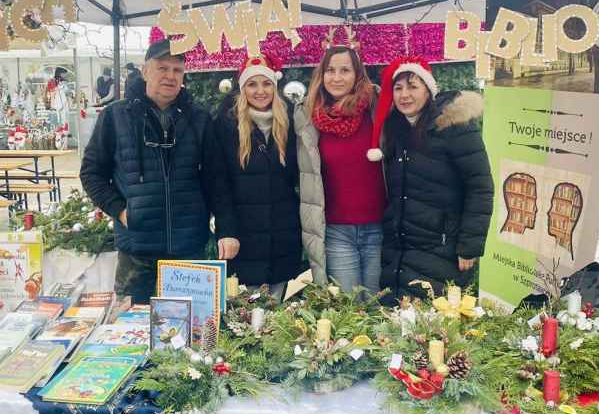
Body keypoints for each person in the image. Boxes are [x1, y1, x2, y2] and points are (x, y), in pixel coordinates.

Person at [80, 39, 213, 301]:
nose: (170, 76)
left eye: (177, 70)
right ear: (145, 71)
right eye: (162, 68)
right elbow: (91, 172)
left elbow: (215, 177)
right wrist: (119, 210)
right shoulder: (116, 116)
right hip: (137, 252)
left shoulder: (199, 118)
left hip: (188, 249)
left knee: (191, 331)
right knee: (129, 329)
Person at [370, 56, 493, 300]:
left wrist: (469, 246)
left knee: (432, 327)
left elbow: (480, 187)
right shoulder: (397, 128)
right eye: (398, 88)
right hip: (401, 250)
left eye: (413, 87)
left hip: (441, 249)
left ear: (429, 90)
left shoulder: (455, 127)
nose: (405, 95)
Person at [207, 54, 302, 301]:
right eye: (252, 84)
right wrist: (226, 229)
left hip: (284, 234)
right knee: (248, 314)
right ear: (242, 88)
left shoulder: (292, 121)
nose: (260, 91)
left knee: (280, 317)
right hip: (244, 234)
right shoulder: (226, 124)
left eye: (266, 84)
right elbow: (218, 181)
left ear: (275, 86)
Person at [295, 44, 385, 292]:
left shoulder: (377, 107)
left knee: (379, 308)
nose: (336, 77)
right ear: (321, 75)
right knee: (350, 310)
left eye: (345, 70)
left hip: (379, 228)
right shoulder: (308, 116)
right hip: (336, 231)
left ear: (357, 74)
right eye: (330, 70)